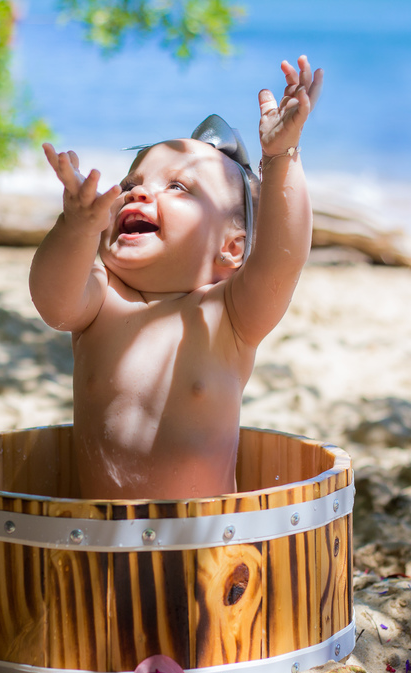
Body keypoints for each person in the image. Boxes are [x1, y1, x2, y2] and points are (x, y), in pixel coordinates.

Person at [30, 55, 323, 500]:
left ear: (233, 247)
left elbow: (284, 257)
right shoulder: (101, 298)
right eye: (130, 184)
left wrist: (281, 156)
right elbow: (51, 300)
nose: (140, 192)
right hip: (100, 549)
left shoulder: (229, 316)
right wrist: (75, 227)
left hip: (204, 548)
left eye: (179, 188)